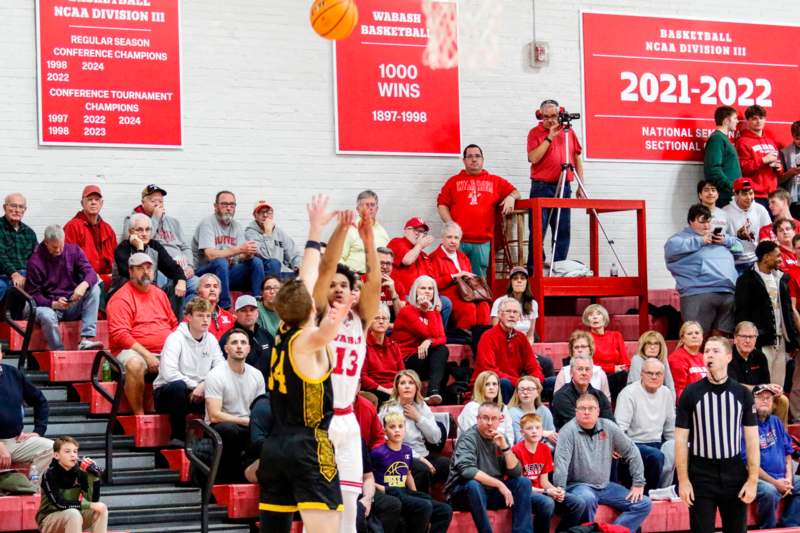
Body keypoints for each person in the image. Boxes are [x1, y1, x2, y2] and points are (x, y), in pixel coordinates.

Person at [257, 195, 352, 533]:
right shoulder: (309, 340)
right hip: (308, 446)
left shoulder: (283, 330)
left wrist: (316, 228)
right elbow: (326, 330)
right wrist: (342, 308)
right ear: (312, 307)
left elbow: (308, 271)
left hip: (275, 447)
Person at [311, 205, 381, 533]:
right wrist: (340, 230)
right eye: (334, 285)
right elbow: (325, 267)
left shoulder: (360, 320)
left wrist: (368, 241)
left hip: (348, 418)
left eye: (345, 284)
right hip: (320, 418)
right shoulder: (318, 315)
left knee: (350, 501)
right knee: (322, 503)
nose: (338, 288)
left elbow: (375, 284)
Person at [675, 336, 759, 533]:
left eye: (715, 351)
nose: (709, 355)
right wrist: (684, 480)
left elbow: (752, 440)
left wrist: (753, 479)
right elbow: (680, 440)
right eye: (706, 351)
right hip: (701, 473)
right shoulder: (691, 392)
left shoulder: (742, 393)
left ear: (729, 357)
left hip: (734, 471)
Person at [554, 394, 652, 532]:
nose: (586, 412)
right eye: (582, 408)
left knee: (643, 503)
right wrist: (561, 491)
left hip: (605, 487)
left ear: (598, 411)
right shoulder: (567, 432)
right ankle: (587, 531)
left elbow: (632, 451)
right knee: (586, 499)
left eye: (591, 408)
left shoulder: (608, 427)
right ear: (576, 411)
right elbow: (561, 464)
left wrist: (638, 483)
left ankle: (611, 531)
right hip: (579, 486)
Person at [107, 253, 178, 415]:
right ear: (131, 271)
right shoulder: (121, 298)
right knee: (135, 364)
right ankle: (139, 415)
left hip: (164, 351)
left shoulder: (160, 294)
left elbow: (174, 325)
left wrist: (174, 350)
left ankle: (182, 420)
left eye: (148, 267)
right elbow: (120, 335)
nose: (146, 272)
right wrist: (147, 355)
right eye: (140, 268)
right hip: (130, 352)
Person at [445, 401, 533, 533]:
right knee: (473, 485)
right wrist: (499, 484)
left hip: (490, 493)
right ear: (478, 419)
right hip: (462, 494)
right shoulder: (468, 438)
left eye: (494, 419)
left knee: (523, 482)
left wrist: (506, 449)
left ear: (499, 421)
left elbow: (516, 472)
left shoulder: (500, 438)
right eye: (485, 418)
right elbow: (467, 471)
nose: (490, 423)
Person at [437, 144, 519, 278]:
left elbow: (516, 192)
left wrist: (511, 197)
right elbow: (442, 204)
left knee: (478, 280)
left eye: (477, 156)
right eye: (469, 156)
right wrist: (451, 225)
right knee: (456, 278)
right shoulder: (453, 182)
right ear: (464, 161)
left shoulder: (495, 181)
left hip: (482, 241)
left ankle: (479, 300)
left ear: (482, 159)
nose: (474, 159)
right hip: (458, 240)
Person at [153, 297, 225, 445]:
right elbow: (169, 373)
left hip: (200, 390)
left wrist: (203, 386)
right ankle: (178, 437)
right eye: (200, 315)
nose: (205, 320)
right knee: (178, 386)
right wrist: (194, 386)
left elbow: (221, 369)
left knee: (222, 389)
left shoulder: (211, 339)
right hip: (168, 392)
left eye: (208, 316)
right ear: (189, 317)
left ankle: (210, 440)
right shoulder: (175, 338)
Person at [526, 99, 585, 270]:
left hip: (564, 187)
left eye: (554, 116)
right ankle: (534, 269)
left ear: (560, 114)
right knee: (538, 230)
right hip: (541, 187)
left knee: (562, 230)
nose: (551, 120)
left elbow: (576, 159)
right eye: (546, 117)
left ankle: (558, 266)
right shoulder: (535, 133)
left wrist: (581, 185)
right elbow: (533, 158)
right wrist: (549, 137)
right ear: (540, 116)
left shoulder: (569, 133)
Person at [370, 412, 452, 533]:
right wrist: (380, 489)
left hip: (403, 492)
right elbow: (367, 476)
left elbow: (408, 474)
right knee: (424, 506)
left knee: (445, 510)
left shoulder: (407, 451)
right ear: (385, 431)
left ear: (405, 429)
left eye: (400, 426)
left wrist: (415, 495)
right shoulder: (377, 453)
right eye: (392, 427)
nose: (397, 430)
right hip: (387, 492)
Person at [25, 225, 103, 351]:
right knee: (47, 315)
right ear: (46, 242)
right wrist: (53, 303)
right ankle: (58, 350)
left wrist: (83, 285)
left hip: (70, 302)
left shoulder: (74, 251)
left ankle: (86, 339)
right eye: (55, 247)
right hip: (49, 306)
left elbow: (91, 273)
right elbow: (33, 295)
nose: (59, 250)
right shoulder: (35, 262)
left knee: (95, 289)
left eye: (61, 246)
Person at [735, 240, 799, 391]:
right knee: (764, 386)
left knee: (778, 387)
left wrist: (792, 339)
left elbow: (787, 311)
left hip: (780, 340)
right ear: (766, 257)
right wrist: (748, 338)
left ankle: (776, 415)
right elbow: (741, 311)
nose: (780, 259)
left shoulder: (781, 279)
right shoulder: (746, 280)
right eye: (777, 256)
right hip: (761, 341)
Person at [665, 204, 738, 334]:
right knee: (696, 339)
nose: (706, 226)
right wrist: (700, 241)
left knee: (720, 341)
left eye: (709, 222)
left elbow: (740, 248)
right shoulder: (679, 239)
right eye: (702, 221)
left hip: (727, 292)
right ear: (690, 221)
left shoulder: (716, 238)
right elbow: (671, 248)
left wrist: (725, 240)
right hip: (697, 292)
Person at [205, 329, 264, 483]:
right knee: (229, 430)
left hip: (248, 425)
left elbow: (261, 410)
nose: (239, 346)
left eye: (243, 343)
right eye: (234, 342)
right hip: (220, 427)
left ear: (249, 349)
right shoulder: (215, 374)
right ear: (226, 349)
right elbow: (214, 415)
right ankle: (229, 481)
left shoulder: (257, 375)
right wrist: (246, 421)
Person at [378, 370, 449, 494]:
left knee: (446, 464)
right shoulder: (387, 409)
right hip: (399, 457)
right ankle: (420, 501)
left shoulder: (422, 407)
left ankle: (425, 495)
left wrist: (418, 418)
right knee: (422, 469)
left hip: (424, 453)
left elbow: (435, 438)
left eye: (411, 383)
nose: (406, 386)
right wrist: (419, 458)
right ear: (396, 387)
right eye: (402, 383)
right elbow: (386, 441)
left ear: (417, 387)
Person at [512, 413, 585, 532]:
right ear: (522, 432)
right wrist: (547, 491)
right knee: (547, 503)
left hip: (543, 491)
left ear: (542, 430)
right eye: (529, 428)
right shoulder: (516, 451)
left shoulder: (545, 449)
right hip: (525, 494)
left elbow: (544, 481)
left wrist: (556, 491)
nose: (534, 431)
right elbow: (521, 486)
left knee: (578, 503)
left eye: (537, 428)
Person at [192, 190, 264, 310]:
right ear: (215, 206)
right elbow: (210, 255)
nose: (229, 208)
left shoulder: (237, 226)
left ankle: (259, 305)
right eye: (224, 204)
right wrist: (239, 249)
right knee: (221, 262)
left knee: (256, 262)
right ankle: (225, 307)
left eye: (232, 205)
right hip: (207, 274)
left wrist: (248, 254)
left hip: (228, 273)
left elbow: (239, 256)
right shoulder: (208, 223)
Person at [122, 184, 196, 300]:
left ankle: (185, 315)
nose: (158, 204)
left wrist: (190, 266)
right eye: (153, 201)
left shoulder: (173, 222)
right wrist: (155, 218)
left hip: (181, 268)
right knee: (163, 282)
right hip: (158, 268)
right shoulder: (133, 220)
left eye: (160, 201)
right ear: (143, 202)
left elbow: (185, 247)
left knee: (199, 285)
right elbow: (138, 242)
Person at [615, 358, 676, 492]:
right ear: (641, 374)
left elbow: (670, 430)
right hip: (633, 443)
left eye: (658, 374)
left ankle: (664, 490)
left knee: (678, 448)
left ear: (663, 375)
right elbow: (619, 429)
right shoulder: (628, 393)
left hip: (657, 441)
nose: (654, 377)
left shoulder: (666, 393)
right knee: (655, 456)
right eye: (650, 373)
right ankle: (650, 493)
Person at [744, 384, 800, 529]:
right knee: (770, 492)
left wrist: (787, 478)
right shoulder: (746, 424)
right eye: (760, 398)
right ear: (751, 402)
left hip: (782, 476)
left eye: (768, 398)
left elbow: (787, 453)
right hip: (757, 478)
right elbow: (749, 465)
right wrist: (776, 483)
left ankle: (790, 525)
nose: (765, 401)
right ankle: (768, 529)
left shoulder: (776, 422)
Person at [114, 213, 193, 313]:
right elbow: (138, 276)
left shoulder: (155, 246)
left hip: (150, 292)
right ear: (130, 232)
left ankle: (175, 325)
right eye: (139, 230)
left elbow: (172, 267)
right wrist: (140, 247)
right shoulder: (122, 248)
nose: (144, 233)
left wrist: (181, 280)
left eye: (147, 230)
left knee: (176, 284)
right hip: (127, 295)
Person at [0, 344, 52, 490]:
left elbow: (40, 401)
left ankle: (34, 490)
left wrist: (38, 431)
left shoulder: (13, 374)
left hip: (15, 440)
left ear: (1, 355)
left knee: (51, 448)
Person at [472, 298, 544, 403]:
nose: (512, 315)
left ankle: (544, 416)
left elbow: (533, 365)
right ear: (500, 315)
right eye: (508, 311)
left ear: (519, 317)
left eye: (515, 312)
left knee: (551, 382)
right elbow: (490, 371)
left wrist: (536, 380)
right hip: (493, 384)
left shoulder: (521, 337)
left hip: (518, 384)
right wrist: (520, 382)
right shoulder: (488, 337)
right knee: (504, 383)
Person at [391, 275, 449, 404]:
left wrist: (430, 341)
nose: (427, 291)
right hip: (406, 358)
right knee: (439, 355)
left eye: (430, 288)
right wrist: (429, 310)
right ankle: (431, 392)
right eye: (423, 288)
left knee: (442, 351)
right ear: (415, 291)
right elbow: (428, 332)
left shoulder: (434, 313)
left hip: (423, 356)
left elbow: (442, 338)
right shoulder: (407, 311)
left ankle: (434, 393)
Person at [430, 221, 491, 334]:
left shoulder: (463, 257)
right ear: (442, 238)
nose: (453, 241)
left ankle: (484, 340)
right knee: (469, 309)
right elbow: (432, 284)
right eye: (449, 237)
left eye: (456, 238)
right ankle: (463, 340)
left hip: (467, 294)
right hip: (448, 294)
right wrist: (454, 276)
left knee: (484, 306)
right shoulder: (434, 257)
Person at [37, 437, 107, 533]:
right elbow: (59, 504)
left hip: (73, 516)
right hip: (48, 520)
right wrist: (89, 505)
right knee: (74, 513)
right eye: (67, 451)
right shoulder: (49, 474)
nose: (73, 455)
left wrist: (93, 476)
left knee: (101, 508)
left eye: (75, 451)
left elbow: (93, 500)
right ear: (56, 455)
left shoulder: (80, 472)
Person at [728, 321, 790, 423]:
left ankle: (780, 436)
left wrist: (774, 389)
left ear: (756, 339)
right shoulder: (728, 356)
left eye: (752, 337)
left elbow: (765, 383)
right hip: (737, 397)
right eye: (744, 336)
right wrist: (760, 388)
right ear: (735, 339)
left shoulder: (760, 356)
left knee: (782, 400)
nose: (748, 340)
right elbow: (733, 386)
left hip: (759, 396)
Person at [63, 185, 116, 287]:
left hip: (108, 279)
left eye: (97, 199)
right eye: (89, 199)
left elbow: (115, 260)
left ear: (101, 203)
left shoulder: (108, 229)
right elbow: (67, 262)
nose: (93, 202)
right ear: (82, 203)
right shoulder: (73, 226)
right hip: (83, 281)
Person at [736, 104, 783, 210]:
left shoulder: (771, 141)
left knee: (772, 226)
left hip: (773, 194)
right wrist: (764, 160)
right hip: (755, 195)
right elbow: (743, 168)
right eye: (754, 119)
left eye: (761, 118)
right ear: (748, 121)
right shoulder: (742, 142)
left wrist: (779, 168)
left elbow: (780, 171)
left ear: (765, 120)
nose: (758, 121)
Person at [551, 353, 614, 430]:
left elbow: (611, 424)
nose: (584, 373)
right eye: (580, 369)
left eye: (587, 369)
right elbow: (579, 425)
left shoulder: (600, 395)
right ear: (571, 372)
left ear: (591, 373)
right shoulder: (561, 396)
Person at [218, 294, 274, 380]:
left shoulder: (265, 334)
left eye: (252, 310)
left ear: (257, 313)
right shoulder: (227, 339)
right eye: (243, 310)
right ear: (235, 313)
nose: (248, 314)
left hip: (267, 388)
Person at [724, 177, 773, 274]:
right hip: (735, 263)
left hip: (757, 260)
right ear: (736, 194)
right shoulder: (725, 212)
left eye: (751, 193)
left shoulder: (760, 209)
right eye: (744, 194)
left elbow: (769, 232)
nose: (749, 198)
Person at [583, 303, 629, 400]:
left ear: (604, 318)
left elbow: (625, 362)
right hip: (596, 376)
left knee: (625, 375)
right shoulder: (585, 338)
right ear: (587, 320)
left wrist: (619, 369)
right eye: (591, 315)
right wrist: (612, 368)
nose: (595, 317)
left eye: (598, 314)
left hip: (618, 375)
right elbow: (588, 365)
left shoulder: (616, 336)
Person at [246, 200, 301, 278]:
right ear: (255, 215)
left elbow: (294, 253)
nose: (265, 215)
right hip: (265, 274)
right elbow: (267, 257)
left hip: (282, 272)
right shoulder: (250, 233)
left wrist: (298, 265)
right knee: (273, 264)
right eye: (261, 212)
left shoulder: (279, 232)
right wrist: (268, 233)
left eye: (268, 212)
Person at [457, 371, 515, 445]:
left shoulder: (503, 408)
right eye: (487, 384)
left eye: (494, 384)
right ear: (480, 387)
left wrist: (505, 449)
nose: (491, 387)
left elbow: (510, 435)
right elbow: (478, 434)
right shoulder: (471, 407)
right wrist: (501, 434)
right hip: (473, 451)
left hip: (500, 450)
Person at [356, 439, 402, 533]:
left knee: (393, 504)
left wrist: (367, 498)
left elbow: (368, 477)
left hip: (361, 490)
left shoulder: (358, 441)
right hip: (339, 496)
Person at [362, 304, 404, 405]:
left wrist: (397, 388)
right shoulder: (363, 345)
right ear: (369, 321)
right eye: (376, 318)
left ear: (388, 322)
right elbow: (363, 378)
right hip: (375, 389)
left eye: (384, 318)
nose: (381, 321)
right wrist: (385, 390)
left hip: (394, 388)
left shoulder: (394, 345)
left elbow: (402, 373)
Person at [341, 190, 391, 275]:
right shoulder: (349, 230)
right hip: (355, 279)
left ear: (377, 209)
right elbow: (339, 258)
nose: (370, 208)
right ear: (358, 209)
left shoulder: (383, 232)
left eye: (373, 205)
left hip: (377, 279)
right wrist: (350, 277)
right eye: (366, 205)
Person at [553, 330, 611, 401]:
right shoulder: (564, 373)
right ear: (572, 351)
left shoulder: (600, 373)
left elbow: (607, 401)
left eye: (583, 346)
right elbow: (557, 399)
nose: (580, 350)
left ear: (590, 349)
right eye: (576, 347)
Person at [0, 192, 36, 303]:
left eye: (21, 207)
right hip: (3, 275)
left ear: (25, 210)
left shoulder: (29, 233)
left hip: (25, 276)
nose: (17, 210)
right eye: (13, 206)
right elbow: (1, 255)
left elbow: (37, 257)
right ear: (5, 207)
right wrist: (14, 274)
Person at [703, 105, 741, 207]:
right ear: (726, 120)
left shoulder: (723, 139)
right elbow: (713, 169)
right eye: (735, 118)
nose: (737, 121)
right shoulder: (717, 139)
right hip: (724, 197)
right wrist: (731, 187)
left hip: (730, 196)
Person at [490, 266, 538, 344]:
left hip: (524, 347)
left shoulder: (533, 304)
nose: (519, 281)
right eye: (515, 278)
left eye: (522, 278)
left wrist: (527, 351)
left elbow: (530, 336)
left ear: (526, 282)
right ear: (511, 282)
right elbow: (496, 334)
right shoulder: (500, 302)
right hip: (505, 345)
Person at [507, 375, 555, 445]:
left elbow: (552, 437)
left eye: (530, 389)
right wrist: (543, 433)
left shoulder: (544, 411)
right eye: (522, 389)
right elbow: (520, 441)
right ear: (517, 393)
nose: (525, 392)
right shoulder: (512, 413)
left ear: (537, 393)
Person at [669, 321, 708, 402]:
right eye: (690, 334)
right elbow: (679, 390)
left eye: (697, 333)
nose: (694, 336)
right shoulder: (676, 358)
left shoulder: (705, 357)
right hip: (688, 404)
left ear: (702, 337)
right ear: (682, 339)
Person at [195, 273, 235, 339]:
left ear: (220, 291)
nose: (212, 290)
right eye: (207, 286)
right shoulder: (191, 318)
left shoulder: (230, 317)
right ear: (198, 292)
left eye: (215, 286)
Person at [375, 247, 406, 320]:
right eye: (381, 263)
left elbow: (401, 317)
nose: (385, 267)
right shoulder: (363, 281)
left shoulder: (398, 285)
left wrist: (393, 292)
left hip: (391, 328)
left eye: (388, 263)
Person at [780, 121, 800, 215]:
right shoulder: (784, 152)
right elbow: (779, 181)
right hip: (793, 200)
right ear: (792, 135)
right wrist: (790, 172)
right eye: (797, 138)